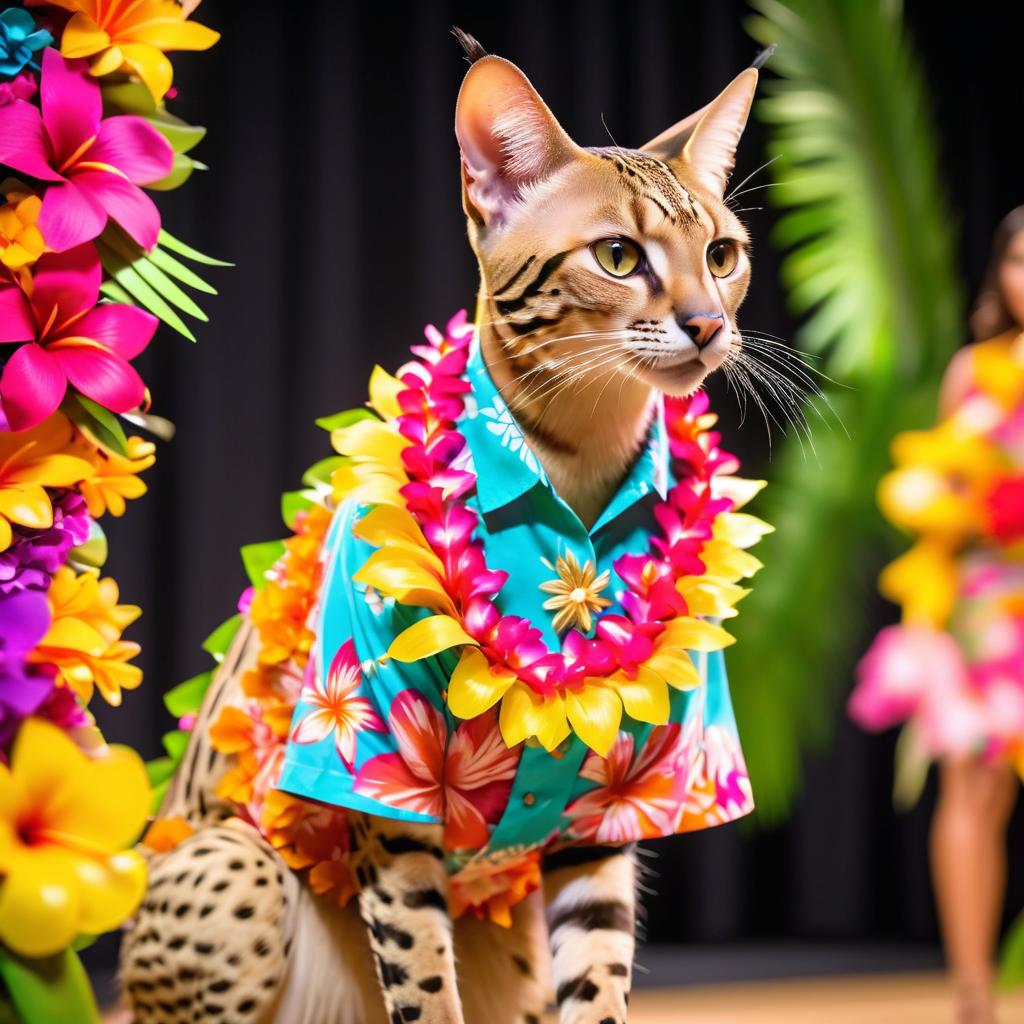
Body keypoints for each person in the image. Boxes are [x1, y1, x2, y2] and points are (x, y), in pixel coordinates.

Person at [850, 207, 1024, 1024]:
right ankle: (972, 993)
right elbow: (942, 497)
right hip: (989, 611)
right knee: (972, 791)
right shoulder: (974, 372)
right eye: (1021, 259)